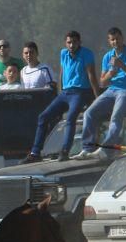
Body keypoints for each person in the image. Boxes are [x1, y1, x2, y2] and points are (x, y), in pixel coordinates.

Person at [22, 31, 98, 163]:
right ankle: (35, 153)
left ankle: (64, 151)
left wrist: (97, 97)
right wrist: (60, 92)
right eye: (69, 42)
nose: (72, 45)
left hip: (80, 92)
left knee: (70, 118)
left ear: (79, 42)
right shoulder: (63, 53)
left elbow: (91, 75)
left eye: (74, 42)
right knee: (43, 117)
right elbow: (62, 72)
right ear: (65, 43)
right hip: (65, 93)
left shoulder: (87, 53)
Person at [72, 28, 126, 160]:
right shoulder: (107, 57)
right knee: (89, 113)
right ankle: (87, 148)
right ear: (109, 41)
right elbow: (103, 82)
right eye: (112, 39)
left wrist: (122, 66)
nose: (115, 41)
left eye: (117, 38)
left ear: (122, 38)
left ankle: (106, 150)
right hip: (111, 90)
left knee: (116, 117)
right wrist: (110, 73)